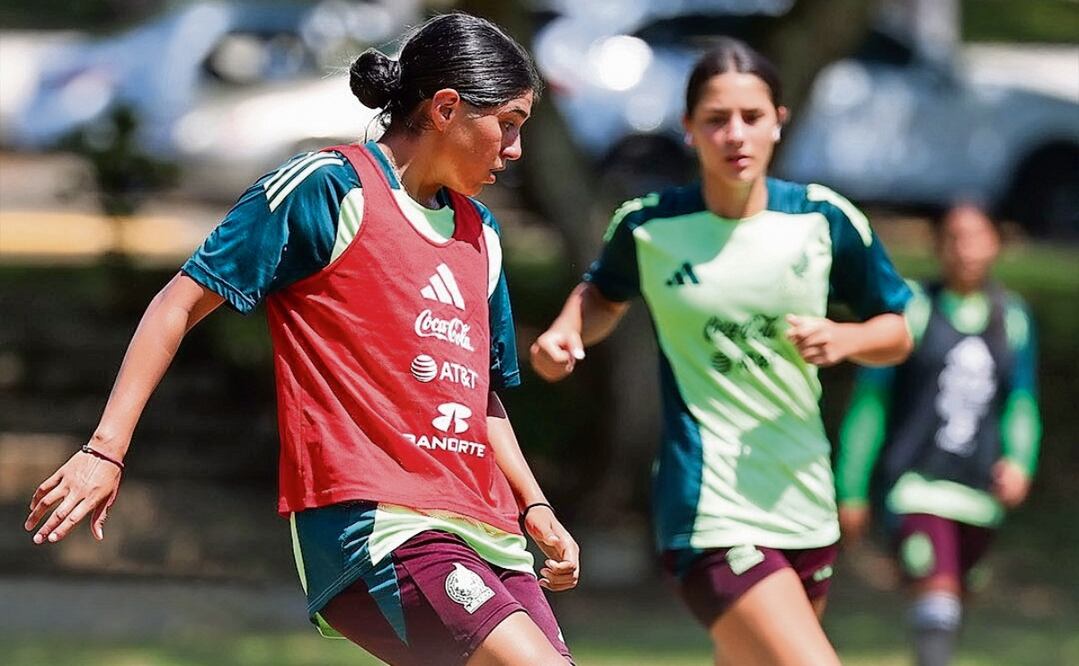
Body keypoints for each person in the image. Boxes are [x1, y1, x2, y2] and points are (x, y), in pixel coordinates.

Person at [24, 13, 578, 666]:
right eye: (507, 123)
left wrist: (534, 504)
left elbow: (477, 393)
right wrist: (105, 450)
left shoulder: (479, 234)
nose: (514, 150)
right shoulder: (327, 188)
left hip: (486, 526)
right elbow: (177, 303)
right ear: (446, 108)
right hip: (381, 523)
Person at [531, 38, 913, 665]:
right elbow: (602, 296)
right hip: (709, 506)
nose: (734, 134)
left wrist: (845, 339)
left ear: (779, 123)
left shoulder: (823, 219)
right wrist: (568, 330)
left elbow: (897, 331)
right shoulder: (649, 225)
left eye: (752, 117)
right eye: (715, 119)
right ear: (688, 129)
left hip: (804, 498)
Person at [835, 203, 1042, 666]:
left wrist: (1020, 462)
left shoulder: (1013, 318)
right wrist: (850, 487)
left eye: (976, 236)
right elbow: (872, 402)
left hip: (977, 493)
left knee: (949, 606)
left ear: (995, 243)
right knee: (936, 596)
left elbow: (1021, 403)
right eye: (954, 236)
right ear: (938, 244)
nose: (964, 248)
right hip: (915, 489)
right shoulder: (913, 309)